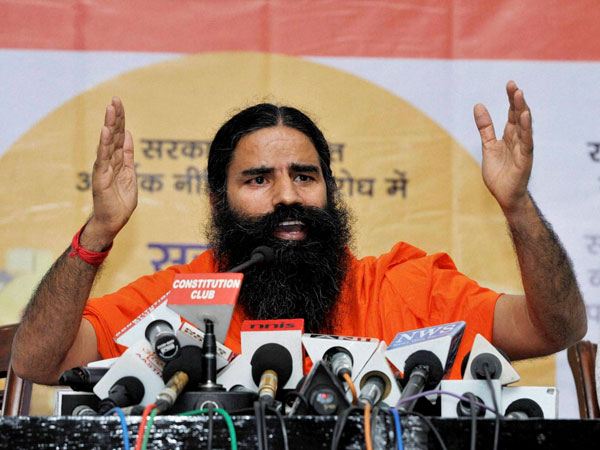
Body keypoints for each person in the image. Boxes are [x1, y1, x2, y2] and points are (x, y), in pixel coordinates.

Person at [12, 81, 587, 385]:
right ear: (218, 200)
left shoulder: (399, 288)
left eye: (305, 177)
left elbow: (554, 328)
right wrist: (98, 233)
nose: (287, 196)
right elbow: (38, 362)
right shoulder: (183, 301)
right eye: (258, 179)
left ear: (328, 191)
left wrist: (517, 208)